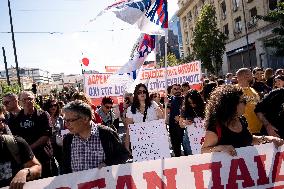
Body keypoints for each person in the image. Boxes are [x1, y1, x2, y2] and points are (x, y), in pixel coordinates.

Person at [201, 85, 284, 156]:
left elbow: (248, 139)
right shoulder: (216, 127)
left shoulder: (242, 120)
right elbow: (204, 150)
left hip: (245, 170)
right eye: (243, 101)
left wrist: (268, 138)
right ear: (231, 105)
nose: (246, 104)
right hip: (226, 172)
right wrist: (220, 148)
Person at [61, 100, 129, 174]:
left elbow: (123, 155)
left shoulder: (106, 133)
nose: (66, 125)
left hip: (104, 184)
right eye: (65, 120)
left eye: (70, 120)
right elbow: (65, 167)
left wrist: (107, 164)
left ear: (85, 119)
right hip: (78, 185)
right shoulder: (68, 139)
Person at [8, 91, 56, 178]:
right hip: (27, 161)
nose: (27, 101)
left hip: (44, 157)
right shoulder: (16, 119)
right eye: (24, 99)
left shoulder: (43, 115)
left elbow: (46, 135)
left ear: (34, 100)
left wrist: (30, 147)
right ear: (20, 102)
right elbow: (14, 138)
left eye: (30, 99)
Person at [0, 105, 42, 189]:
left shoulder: (15, 143)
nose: (1, 125)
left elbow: (37, 168)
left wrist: (26, 171)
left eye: (2, 121)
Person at [125, 83, 163, 152]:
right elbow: (128, 129)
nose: (142, 93)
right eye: (139, 92)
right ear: (136, 94)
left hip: (155, 140)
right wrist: (127, 145)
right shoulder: (130, 109)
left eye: (144, 91)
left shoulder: (153, 105)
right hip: (140, 143)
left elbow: (162, 121)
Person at [236, 68, 262, 135]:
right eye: (251, 74)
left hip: (259, 129)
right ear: (246, 76)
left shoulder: (253, 90)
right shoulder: (235, 91)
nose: (253, 76)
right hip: (245, 131)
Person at [179, 90, 205, 155]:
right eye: (190, 103)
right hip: (190, 138)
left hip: (203, 136)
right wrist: (185, 122)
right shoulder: (185, 109)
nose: (192, 105)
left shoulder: (204, 106)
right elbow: (181, 124)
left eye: (194, 103)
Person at [168, 84, 184, 157]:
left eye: (178, 89)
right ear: (172, 90)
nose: (177, 90)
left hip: (184, 126)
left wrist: (181, 118)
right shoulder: (169, 100)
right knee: (176, 148)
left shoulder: (185, 99)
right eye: (175, 89)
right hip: (173, 127)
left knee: (186, 148)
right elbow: (165, 112)